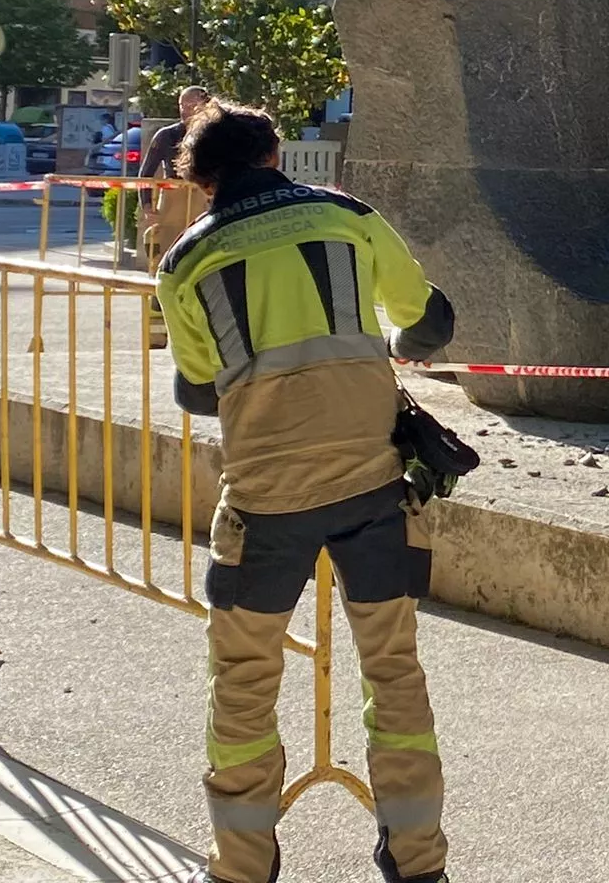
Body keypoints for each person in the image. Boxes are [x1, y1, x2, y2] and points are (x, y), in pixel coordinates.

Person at [156, 102, 457, 883]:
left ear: (202, 179)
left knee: (244, 682)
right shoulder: (348, 218)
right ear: (274, 152)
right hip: (373, 489)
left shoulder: (185, 263)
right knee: (393, 670)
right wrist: (386, 347)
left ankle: (243, 865)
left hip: (265, 504)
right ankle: (419, 861)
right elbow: (431, 323)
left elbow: (197, 393)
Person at [139, 87, 211, 347]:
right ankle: (157, 335)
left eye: (191, 104)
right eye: (182, 104)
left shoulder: (213, 135)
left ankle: (198, 336)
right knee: (163, 267)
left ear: (205, 104)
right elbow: (146, 173)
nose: (185, 109)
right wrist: (147, 205)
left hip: (203, 203)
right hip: (171, 203)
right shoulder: (167, 136)